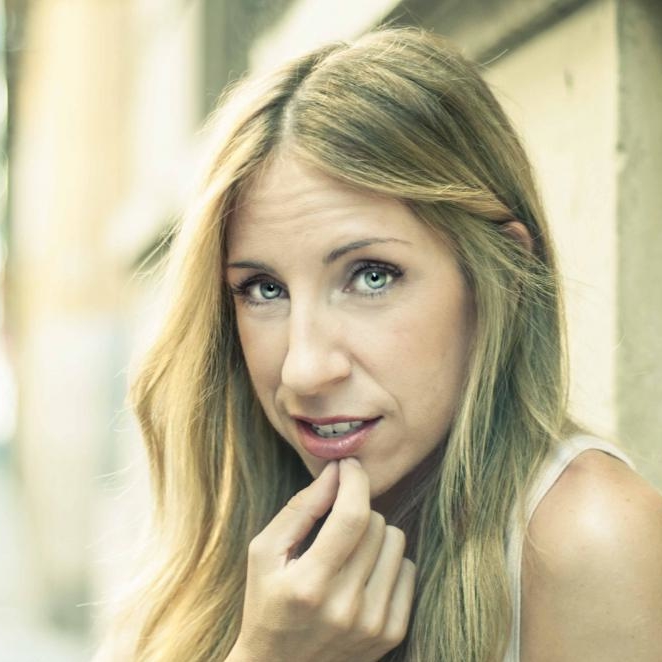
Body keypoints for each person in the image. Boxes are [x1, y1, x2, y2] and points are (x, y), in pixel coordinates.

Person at [94, 27, 662, 662]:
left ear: (499, 277)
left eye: (371, 277)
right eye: (263, 289)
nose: (304, 370)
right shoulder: (225, 542)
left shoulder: (591, 538)